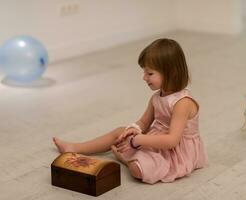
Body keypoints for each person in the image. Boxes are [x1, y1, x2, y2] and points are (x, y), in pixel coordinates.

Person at [53, 38, 208, 184]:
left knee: (137, 170)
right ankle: (75, 148)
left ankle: (125, 158)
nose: (144, 77)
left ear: (170, 72)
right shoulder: (156, 98)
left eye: (150, 73)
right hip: (154, 140)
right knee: (120, 132)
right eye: (144, 72)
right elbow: (143, 123)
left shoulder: (183, 103)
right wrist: (135, 129)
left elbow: (172, 140)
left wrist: (138, 140)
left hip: (175, 153)